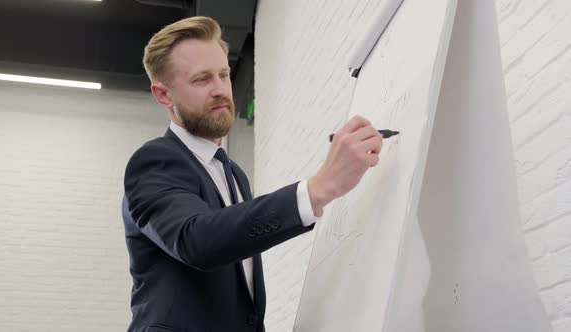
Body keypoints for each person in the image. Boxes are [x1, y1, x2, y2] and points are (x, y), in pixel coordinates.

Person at [122, 16, 383, 332]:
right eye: (202, 79)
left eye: (224, 74)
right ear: (164, 95)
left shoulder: (233, 174)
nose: (220, 89)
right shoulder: (153, 161)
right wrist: (318, 188)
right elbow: (197, 241)